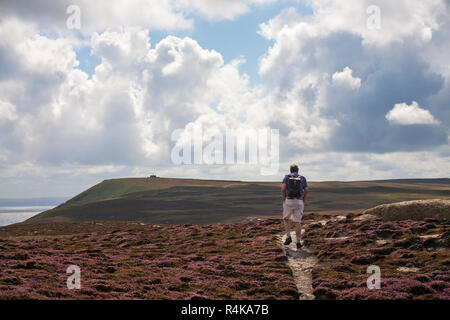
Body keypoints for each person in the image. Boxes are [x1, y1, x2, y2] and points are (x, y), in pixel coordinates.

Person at [281, 164, 309, 248]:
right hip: (299, 201)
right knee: (297, 222)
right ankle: (298, 242)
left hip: (289, 200)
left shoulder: (286, 178)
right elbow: (306, 190)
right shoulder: (302, 178)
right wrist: (303, 200)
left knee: (286, 219)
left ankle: (288, 237)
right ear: (298, 170)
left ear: (290, 170)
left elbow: (283, 189)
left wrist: (284, 200)